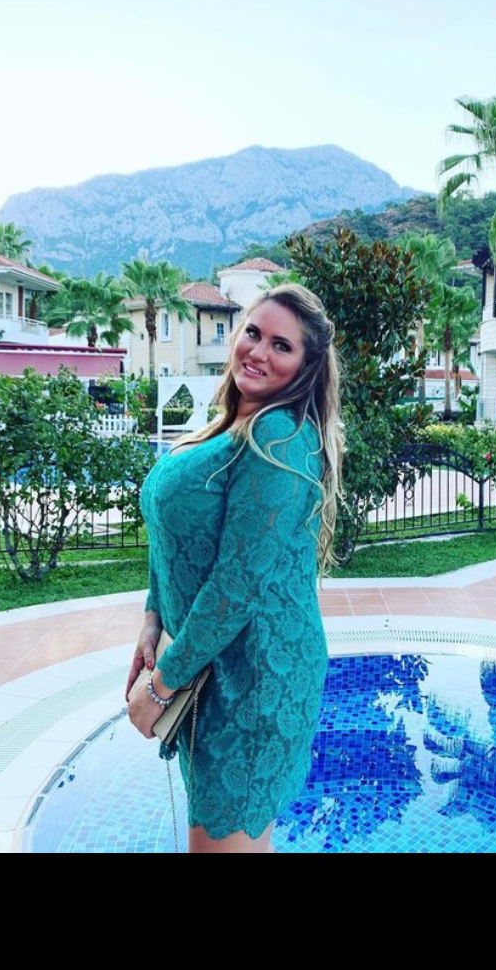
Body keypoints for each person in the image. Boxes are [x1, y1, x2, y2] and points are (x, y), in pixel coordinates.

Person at [125, 283, 347, 853]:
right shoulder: (227, 426)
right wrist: (153, 618)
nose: (258, 351)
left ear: (306, 365)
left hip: (255, 679)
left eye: (281, 345)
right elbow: (174, 537)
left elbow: (237, 585)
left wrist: (161, 685)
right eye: (253, 332)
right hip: (211, 666)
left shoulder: (279, 436)